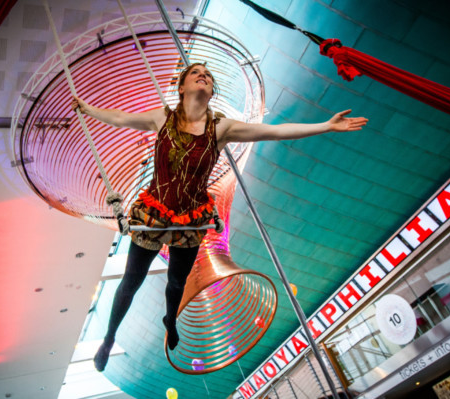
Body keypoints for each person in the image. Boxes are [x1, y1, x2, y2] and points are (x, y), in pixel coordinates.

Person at [71, 63, 368, 372]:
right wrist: (87, 108)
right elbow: (120, 119)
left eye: (209, 77)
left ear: (211, 91)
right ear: (182, 87)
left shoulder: (221, 128)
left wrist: (325, 126)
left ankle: (170, 320)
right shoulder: (162, 118)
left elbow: (275, 132)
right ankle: (108, 338)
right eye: (196, 73)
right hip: (154, 214)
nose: (204, 76)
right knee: (131, 281)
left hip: (191, 219)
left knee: (177, 282)